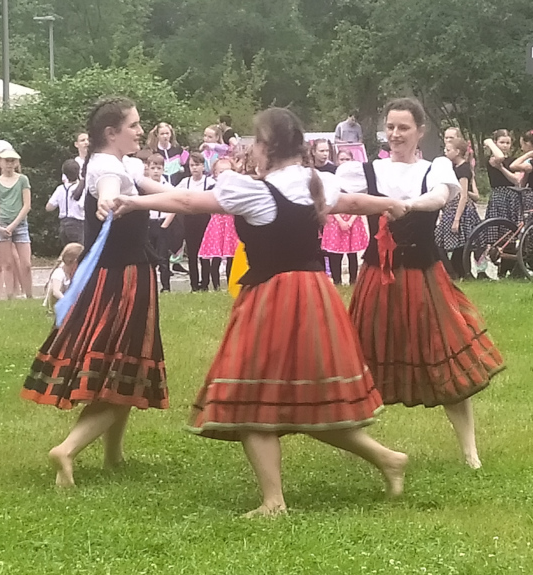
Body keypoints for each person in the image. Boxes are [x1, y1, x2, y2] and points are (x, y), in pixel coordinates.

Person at [110, 107, 409, 517]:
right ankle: (387, 459)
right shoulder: (315, 180)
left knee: (249, 396)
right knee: (309, 398)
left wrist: (132, 201)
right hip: (316, 295)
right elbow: (355, 202)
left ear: (266, 147)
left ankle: (274, 502)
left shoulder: (251, 190)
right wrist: (389, 203)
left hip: (273, 297)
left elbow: (187, 200)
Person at [336, 98, 504, 469]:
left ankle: (470, 453)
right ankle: (365, 447)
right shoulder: (365, 169)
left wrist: (405, 206)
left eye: (403, 128)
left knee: (443, 356)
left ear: (420, 132)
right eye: (390, 127)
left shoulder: (436, 168)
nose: (395, 134)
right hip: (377, 278)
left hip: (425, 277)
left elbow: (440, 198)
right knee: (360, 358)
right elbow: (333, 197)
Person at [21, 97, 168, 488]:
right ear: (111, 133)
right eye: (134, 125)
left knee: (119, 369)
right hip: (124, 278)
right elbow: (107, 189)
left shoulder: (121, 164)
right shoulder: (106, 166)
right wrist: (107, 200)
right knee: (126, 366)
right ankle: (67, 448)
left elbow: (157, 191)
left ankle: (113, 456)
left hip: (111, 275)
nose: (140, 131)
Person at [0, 149, 33, 299]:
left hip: (19, 224)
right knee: (6, 264)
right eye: (6, 160)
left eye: (12, 161)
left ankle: (29, 294)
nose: (9, 164)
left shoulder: (23, 180)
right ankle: (10, 295)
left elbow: (27, 205)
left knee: (26, 263)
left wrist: (13, 225)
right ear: (0, 162)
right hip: (2, 222)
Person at [435, 138, 481, 278]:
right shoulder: (453, 167)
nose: (445, 152)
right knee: (442, 242)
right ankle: (455, 272)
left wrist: (457, 219)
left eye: (448, 150)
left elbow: (463, 195)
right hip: (451, 208)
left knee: (460, 243)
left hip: (460, 209)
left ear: (458, 152)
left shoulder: (463, 169)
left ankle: (459, 273)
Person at [176, 152, 216, 291]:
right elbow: (175, 195)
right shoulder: (185, 182)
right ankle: (194, 284)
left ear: (203, 166)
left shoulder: (209, 182)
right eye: (192, 165)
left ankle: (205, 283)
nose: (194, 168)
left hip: (205, 220)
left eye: (197, 165)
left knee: (204, 254)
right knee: (192, 254)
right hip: (189, 220)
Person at [198, 158, 238, 290]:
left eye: (227, 171)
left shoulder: (236, 189)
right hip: (217, 224)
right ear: (215, 173)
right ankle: (216, 286)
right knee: (215, 256)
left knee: (231, 256)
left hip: (231, 224)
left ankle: (231, 284)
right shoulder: (212, 188)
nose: (224, 175)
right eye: (220, 172)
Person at [145, 153, 174, 292]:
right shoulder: (144, 186)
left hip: (163, 223)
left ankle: (166, 286)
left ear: (163, 169)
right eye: (153, 168)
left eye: (158, 168)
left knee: (163, 257)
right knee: (148, 257)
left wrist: (165, 224)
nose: (156, 171)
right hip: (149, 224)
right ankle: (150, 286)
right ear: (148, 169)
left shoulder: (167, 186)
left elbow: (174, 206)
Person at [47, 160, 85, 245]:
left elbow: (49, 207)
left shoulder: (60, 189)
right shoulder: (81, 188)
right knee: (79, 251)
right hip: (78, 224)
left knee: (68, 252)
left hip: (63, 224)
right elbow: (82, 206)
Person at [509, 129, 533, 213]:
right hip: (531, 196)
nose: (522, 148)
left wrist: (528, 155)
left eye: (522, 145)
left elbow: (513, 166)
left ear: (528, 144)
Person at [43, 242, 84, 312]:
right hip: (56, 306)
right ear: (74, 261)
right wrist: (67, 302)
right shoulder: (59, 273)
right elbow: (56, 292)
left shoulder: (71, 273)